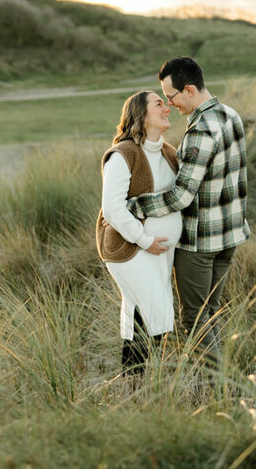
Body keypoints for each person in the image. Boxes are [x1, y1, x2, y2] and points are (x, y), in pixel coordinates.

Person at [127, 56, 249, 367]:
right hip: (230, 237)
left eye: (171, 97)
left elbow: (181, 196)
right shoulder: (230, 115)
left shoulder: (201, 131)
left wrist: (135, 206)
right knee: (210, 311)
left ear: (189, 90)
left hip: (200, 243)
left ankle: (216, 387)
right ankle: (222, 381)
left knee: (194, 317)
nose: (169, 105)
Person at [100, 90, 182, 377]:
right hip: (131, 250)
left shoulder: (169, 153)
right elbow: (112, 208)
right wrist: (145, 240)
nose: (167, 107)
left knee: (145, 316)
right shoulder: (123, 155)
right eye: (158, 103)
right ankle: (140, 385)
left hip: (160, 253)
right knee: (151, 313)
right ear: (141, 114)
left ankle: (137, 388)